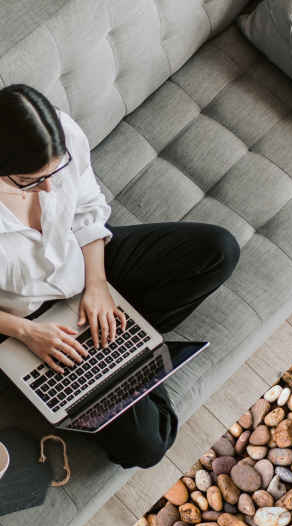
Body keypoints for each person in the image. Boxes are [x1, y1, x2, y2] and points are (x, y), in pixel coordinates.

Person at [0, 84, 240, 468]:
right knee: (148, 446)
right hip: (21, 316)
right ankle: (120, 360)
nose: (47, 187)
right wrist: (27, 333)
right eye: (30, 180)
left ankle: (117, 347)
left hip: (82, 262)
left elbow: (86, 210)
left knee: (218, 250)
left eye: (55, 172)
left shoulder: (61, 134)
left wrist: (97, 285)